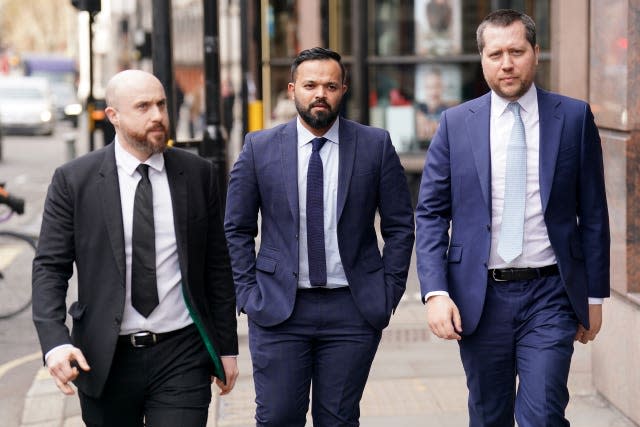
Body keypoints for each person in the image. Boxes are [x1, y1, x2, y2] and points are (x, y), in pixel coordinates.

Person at [415, 9, 609, 427]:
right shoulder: (454, 124)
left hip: (551, 294)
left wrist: (595, 297)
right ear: (481, 59)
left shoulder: (573, 118)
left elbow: (593, 213)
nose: (507, 63)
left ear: (536, 53)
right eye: (496, 53)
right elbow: (430, 213)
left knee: (543, 415)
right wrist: (435, 292)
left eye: (517, 51)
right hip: (480, 298)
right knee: (489, 416)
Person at [32, 69, 239, 426]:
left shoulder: (198, 173)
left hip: (182, 353)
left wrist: (225, 346)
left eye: (161, 104)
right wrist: (55, 342)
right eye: (143, 107)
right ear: (113, 116)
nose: (158, 115)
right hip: (104, 357)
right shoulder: (74, 180)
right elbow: (50, 267)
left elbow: (217, 265)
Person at [224, 47, 415, 426]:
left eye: (330, 85)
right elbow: (237, 227)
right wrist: (248, 293)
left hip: (352, 308)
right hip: (279, 308)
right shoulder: (259, 148)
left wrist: (388, 291)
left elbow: (399, 225)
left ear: (343, 89)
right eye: (310, 85)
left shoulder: (375, 145)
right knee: (278, 416)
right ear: (293, 89)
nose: (320, 94)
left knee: (339, 419)